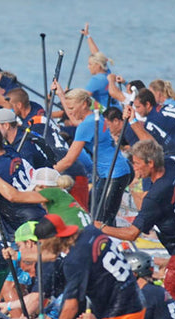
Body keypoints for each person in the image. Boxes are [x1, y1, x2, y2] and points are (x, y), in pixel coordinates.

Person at [96, 139, 175, 319]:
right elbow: (155, 144)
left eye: (137, 163)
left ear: (150, 163)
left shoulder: (156, 196)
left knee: (165, 302)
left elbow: (132, 234)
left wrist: (102, 227)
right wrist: (132, 120)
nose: (134, 168)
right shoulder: (171, 164)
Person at [52, 88, 132, 224]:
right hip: (116, 171)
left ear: (84, 104)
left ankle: (110, 243)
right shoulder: (95, 117)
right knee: (96, 215)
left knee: (100, 222)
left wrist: (47, 173)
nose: (69, 112)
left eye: (72, 107)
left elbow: (68, 161)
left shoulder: (86, 126)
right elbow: (74, 119)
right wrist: (61, 94)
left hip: (114, 174)